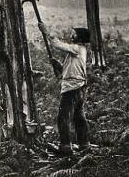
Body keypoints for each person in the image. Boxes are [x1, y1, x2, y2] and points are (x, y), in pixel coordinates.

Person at [39, 23, 91, 154]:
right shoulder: (79, 51)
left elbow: (57, 44)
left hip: (72, 88)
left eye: (74, 33)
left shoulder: (78, 48)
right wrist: (58, 65)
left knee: (63, 117)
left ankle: (65, 146)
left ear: (79, 37)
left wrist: (46, 31)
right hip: (79, 87)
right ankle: (84, 144)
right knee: (79, 117)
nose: (71, 35)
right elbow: (70, 70)